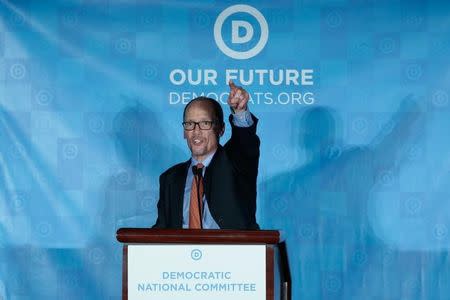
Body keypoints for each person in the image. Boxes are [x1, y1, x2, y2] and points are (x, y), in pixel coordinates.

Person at [153, 80, 260, 229]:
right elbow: (161, 230)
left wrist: (240, 111)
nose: (196, 131)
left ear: (221, 129)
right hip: (180, 252)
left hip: (231, 250)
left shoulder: (236, 162)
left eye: (205, 123)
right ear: (184, 131)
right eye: (190, 124)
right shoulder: (170, 178)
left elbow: (245, 140)